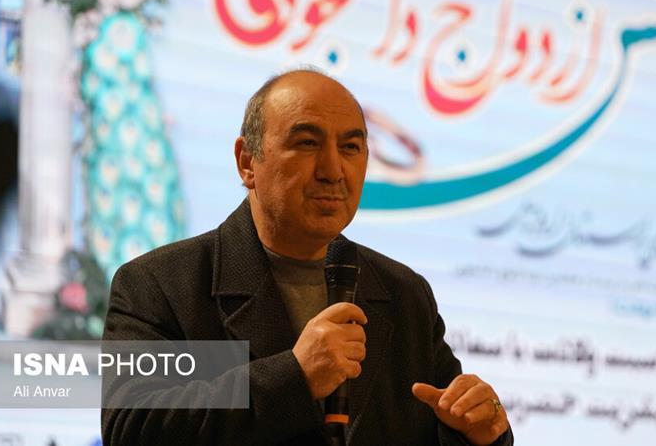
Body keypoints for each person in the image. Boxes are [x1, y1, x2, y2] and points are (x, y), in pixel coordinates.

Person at [101, 69, 513, 445]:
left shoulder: (403, 294)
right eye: (307, 143)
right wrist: (294, 376)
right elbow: (131, 427)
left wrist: (482, 433)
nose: (333, 170)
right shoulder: (162, 285)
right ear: (247, 162)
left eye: (350, 147)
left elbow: (441, 424)